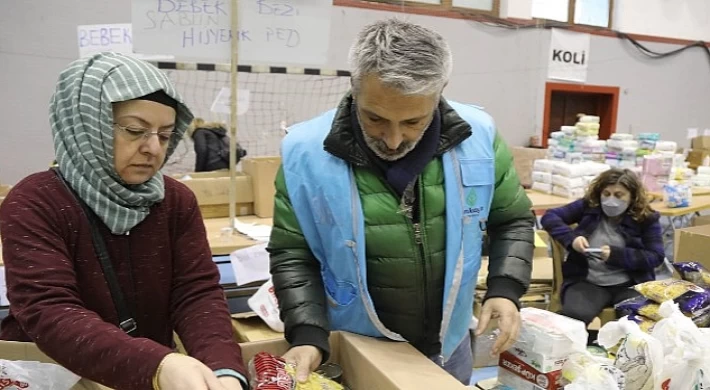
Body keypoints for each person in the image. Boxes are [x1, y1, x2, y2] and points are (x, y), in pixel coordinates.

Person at [267, 19, 535, 385]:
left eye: (413, 121)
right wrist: (308, 334)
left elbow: (513, 219)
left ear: (440, 92)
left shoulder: (479, 136)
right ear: (354, 86)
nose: (393, 140)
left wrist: (505, 289)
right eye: (375, 118)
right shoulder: (304, 151)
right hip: (362, 347)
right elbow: (292, 252)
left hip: (451, 343)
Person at [0, 53, 246, 390]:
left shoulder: (175, 201)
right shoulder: (36, 201)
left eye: (165, 135)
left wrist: (224, 371)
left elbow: (196, 292)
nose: (153, 148)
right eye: (135, 130)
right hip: (55, 375)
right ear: (87, 124)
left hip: (149, 372)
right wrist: (157, 366)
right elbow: (50, 310)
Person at [541, 168, 664, 326]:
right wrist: (572, 240)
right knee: (574, 317)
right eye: (606, 194)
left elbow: (655, 256)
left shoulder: (646, 218)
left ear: (632, 197)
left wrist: (617, 256)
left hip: (630, 283)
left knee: (633, 321)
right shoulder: (589, 206)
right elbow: (550, 216)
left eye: (619, 195)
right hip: (587, 281)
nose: (611, 200)